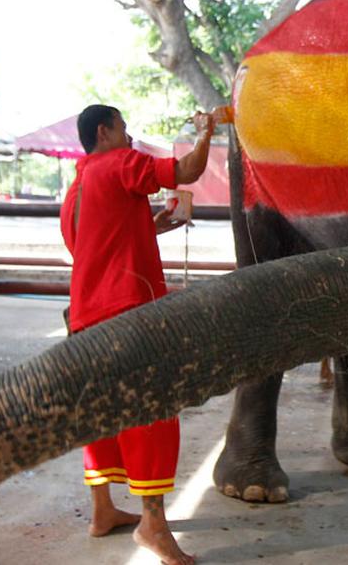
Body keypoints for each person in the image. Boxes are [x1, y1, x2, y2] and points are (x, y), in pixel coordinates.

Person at [59, 104, 215, 565]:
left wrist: (155, 225)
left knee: (101, 412)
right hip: (129, 313)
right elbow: (186, 170)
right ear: (104, 132)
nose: (130, 138)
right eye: (124, 129)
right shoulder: (120, 163)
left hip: (87, 317)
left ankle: (103, 511)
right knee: (151, 414)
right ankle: (153, 524)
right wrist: (205, 133)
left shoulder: (78, 187)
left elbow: (88, 246)